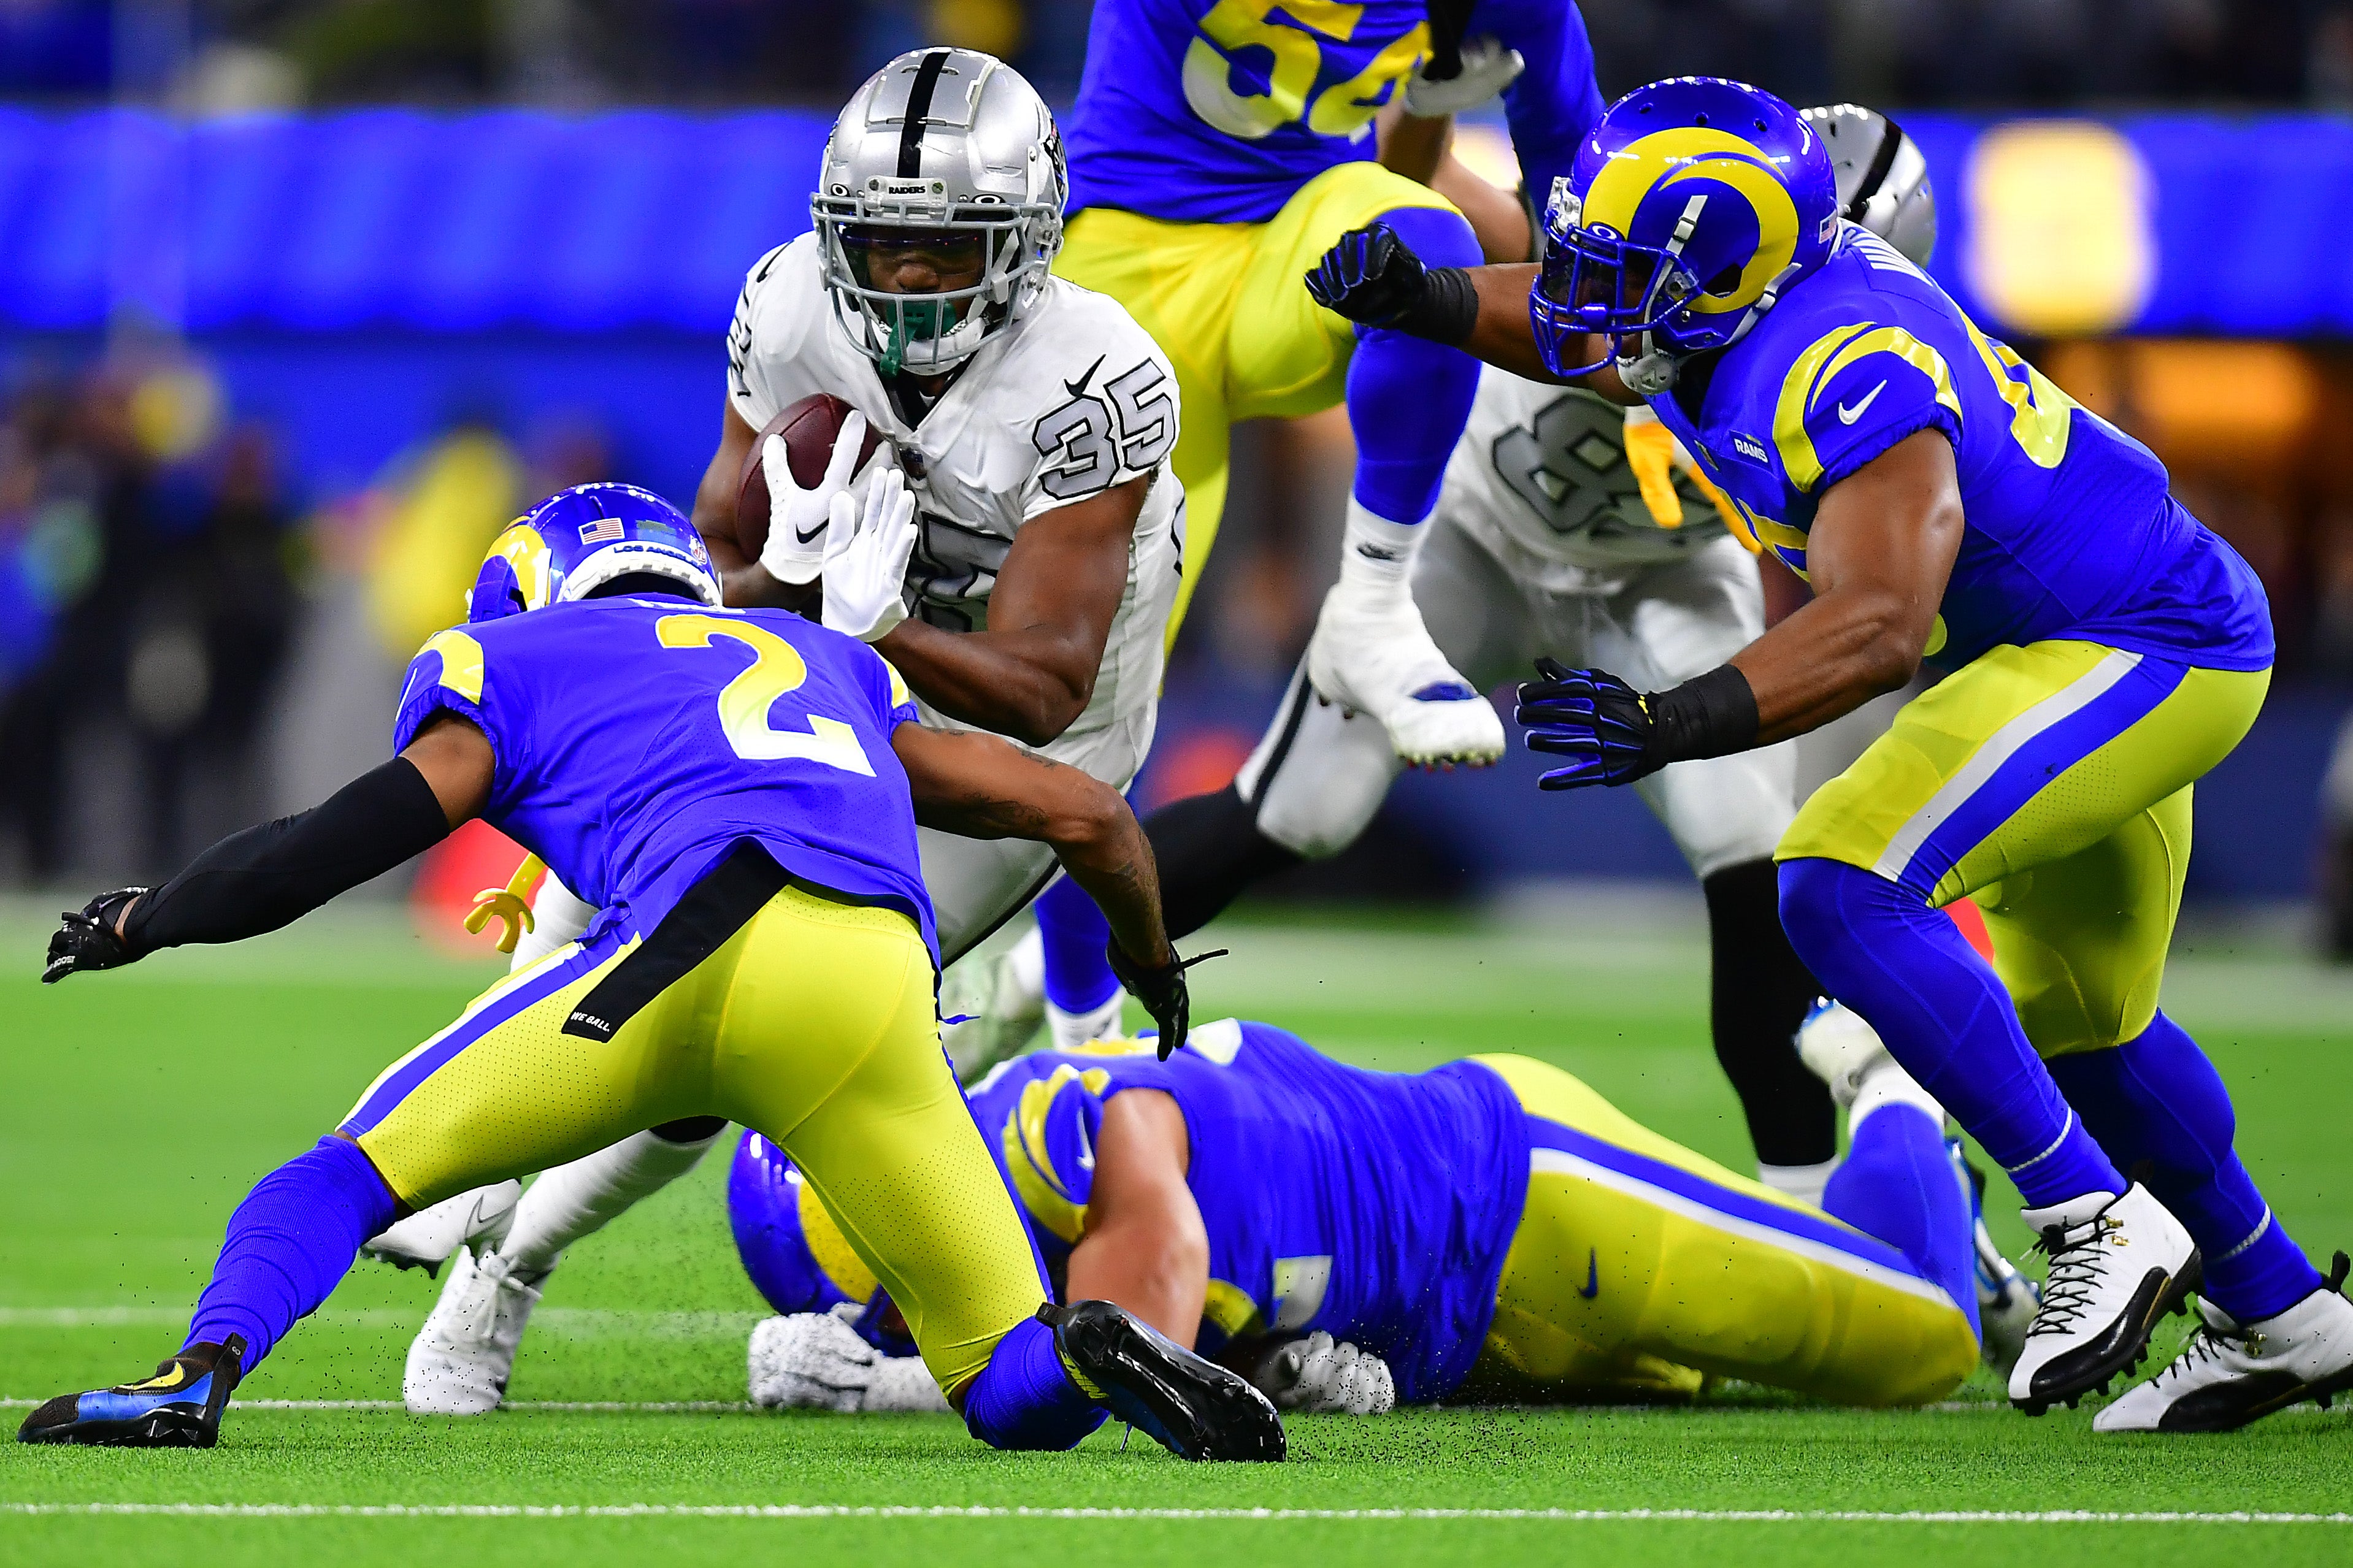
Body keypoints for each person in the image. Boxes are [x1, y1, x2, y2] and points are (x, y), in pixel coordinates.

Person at [1300, 75, 2353, 1430]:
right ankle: (2285, 1311)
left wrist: (1676, 717)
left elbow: (1876, 627)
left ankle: (2094, 1219)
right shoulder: (1719, 305)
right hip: (2095, 632)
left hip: (2140, 643)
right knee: (2085, 1024)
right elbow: (1592, 332)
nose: (1579, 294)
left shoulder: (1842, 364)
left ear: (1727, 272)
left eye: (1614, 270)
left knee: (1836, 881)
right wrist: (1434, 302)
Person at [20, 484, 1278, 1463]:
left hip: (687, 948)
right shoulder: (825, 662)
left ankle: (196, 1373)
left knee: (346, 1174)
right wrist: (1151, 960)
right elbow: (1086, 815)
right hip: (875, 988)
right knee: (1005, 1383)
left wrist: (151, 916)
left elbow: (320, 849)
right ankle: (1093, 1350)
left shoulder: (515, 661)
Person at [377, 47, 1202, 1410]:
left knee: (752, 1026)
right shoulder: (788, 305)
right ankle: (487, 1242)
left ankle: (513, 1257)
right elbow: (716, 567)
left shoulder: (1100, 378)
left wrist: (867, 622)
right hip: (839, 669)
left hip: (1038, 741)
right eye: (879, 243)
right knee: (670, 939)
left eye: (946, 252)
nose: (905, 280)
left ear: (1025, 246)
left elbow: (1048, 683)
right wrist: (792, 584)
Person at [1000, 105, 1940, 1214]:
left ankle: (1810, 1205)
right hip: (1479, 537)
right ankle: (1034, 976)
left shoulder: (1866, 363)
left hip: (1668, 581)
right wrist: (1420, 136)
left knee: (1751, 860)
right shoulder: (1646, 235)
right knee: (1300, 809)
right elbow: (1435, 188)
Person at [734, 1012, 2006, 1417]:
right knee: (1707, 1385)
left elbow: (1156, 1274)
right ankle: (1939, 1222)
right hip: (1473, 1343)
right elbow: (1188, 1317)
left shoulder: (1044, 1121)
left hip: (1524, 1202)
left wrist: (896, 1390)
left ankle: (1891, 1084)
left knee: (1922, 1344)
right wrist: (1273, 1367)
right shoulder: (988, 1214)